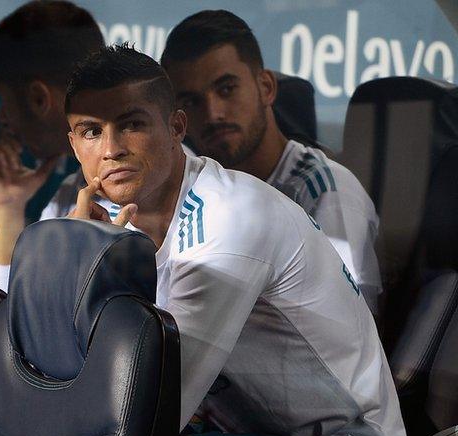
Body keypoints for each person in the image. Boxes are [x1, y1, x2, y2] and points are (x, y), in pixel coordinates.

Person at [63, 44, 406, 436]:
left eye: (131, 123)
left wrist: (87, 280)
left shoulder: (226, 224)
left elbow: (149, 415)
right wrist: (81, 260)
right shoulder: (105, 223)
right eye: (92, 131)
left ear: (177, 128)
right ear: (74, 144)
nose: (110, 148)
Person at [161, 10, 382, 313]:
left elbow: (350, 323)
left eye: (226, 89)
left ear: (266, 87)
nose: (213, 114)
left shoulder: (325, 191)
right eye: (191, 101)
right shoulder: (192, 191)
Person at [0, 1, 104, 281]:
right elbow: (14, 310)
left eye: (2, 100)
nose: (3, 118)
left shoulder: (154, 181)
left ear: (39, 99)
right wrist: (7, 206)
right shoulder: (67, 195)